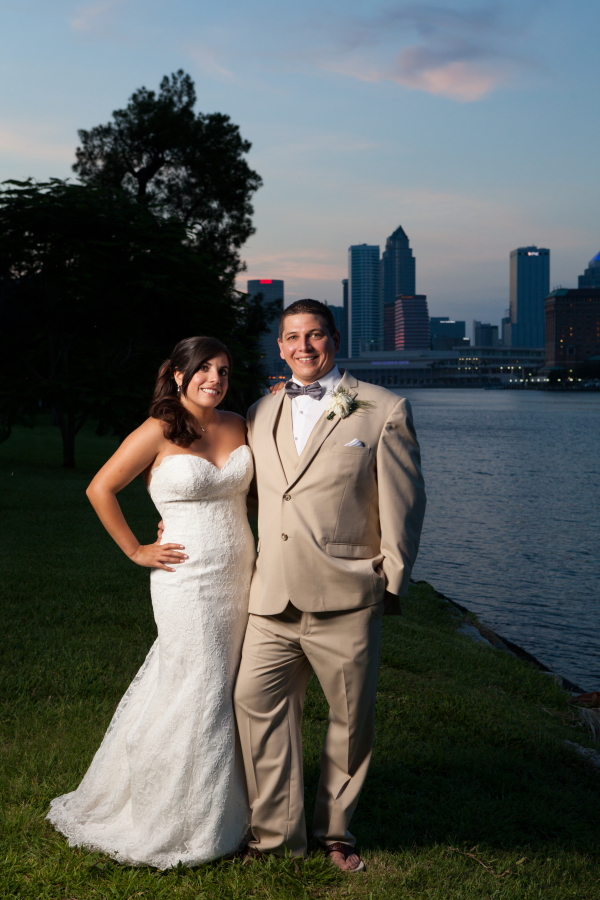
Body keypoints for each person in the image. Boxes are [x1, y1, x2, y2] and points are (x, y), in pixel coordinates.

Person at [47, 336, 255, 868]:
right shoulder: (158, 430)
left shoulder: (237, 424)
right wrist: (138, 549)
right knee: (202, 685)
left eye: (224, 370)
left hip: (243, 576)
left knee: (229, 686)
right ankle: (180, 817)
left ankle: (240, 804)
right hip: (187, 581)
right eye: (203, 369)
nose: (215, 378)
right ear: (179, 376)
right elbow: (100, 488)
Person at [233, 299, 426, 872]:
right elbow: (251, 496)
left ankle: (336, 831)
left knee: (349, 720)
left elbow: (405, 505)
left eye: (315, 335)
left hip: (347, 596)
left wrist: (389, 582)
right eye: (293, 337)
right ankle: (275, 836)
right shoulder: (257, 411)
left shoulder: (382, 409)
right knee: (256, 707)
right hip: (271, 597)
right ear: (280, 346)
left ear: (334, 340)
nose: (304, 346)